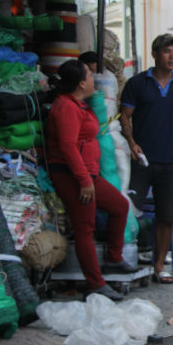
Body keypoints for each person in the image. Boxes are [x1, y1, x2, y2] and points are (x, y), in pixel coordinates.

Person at [46, 60, 135, 302]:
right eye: (89, 74)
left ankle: (114, 259)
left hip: (87, 174)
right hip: (73, 176)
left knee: (120, 206)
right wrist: (84, 180)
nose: (94, 78)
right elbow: (67, 147)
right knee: (85, 227)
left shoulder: (78, 104)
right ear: (81, 82)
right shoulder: (65, 106)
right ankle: (96, 283)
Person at [120, 34, 173, 284]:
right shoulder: (137, 84)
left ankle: (159, 266)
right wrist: (131, 143)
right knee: (128, 210)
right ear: (155, 53)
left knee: (167, 216)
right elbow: (125, 116)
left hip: (171, 162)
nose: (172, 57)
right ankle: (127, 260)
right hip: (141, 161)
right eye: (167, 51)